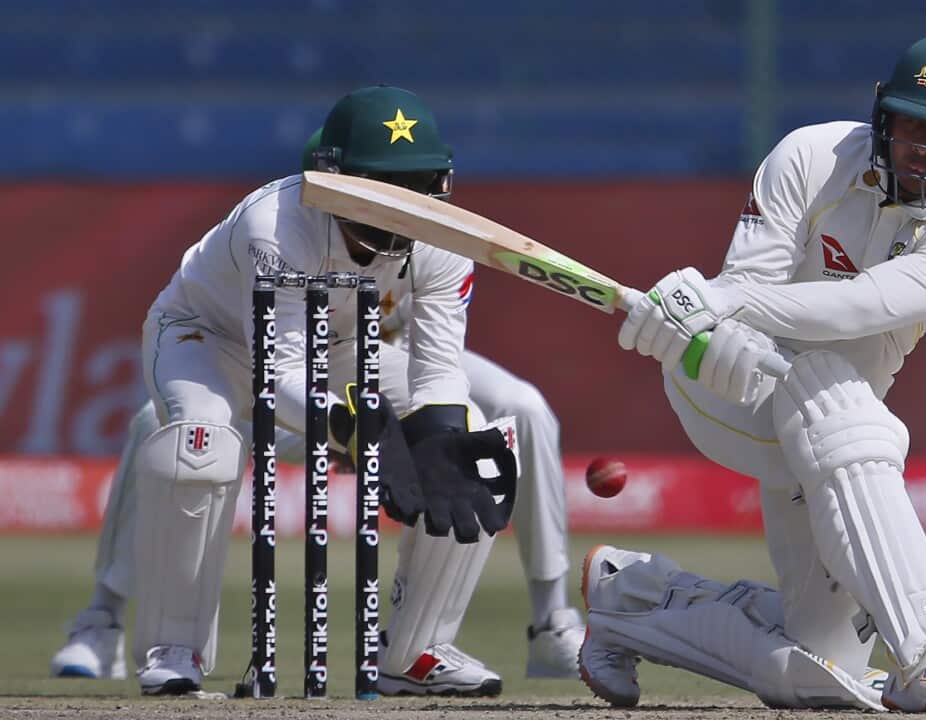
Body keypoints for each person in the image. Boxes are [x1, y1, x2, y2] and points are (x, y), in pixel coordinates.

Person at [50, 119, 587, 693]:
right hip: (212, 339)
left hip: (345, 345)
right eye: (380, 187)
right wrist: (358, 429)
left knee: (471, 442)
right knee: (197, 446)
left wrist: (434, 437)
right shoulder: (276, 224)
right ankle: (172, 648)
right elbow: (277, 370)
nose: (399, 208)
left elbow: (436, 372)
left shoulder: (444, 240)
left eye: (415, 186)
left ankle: (415, 652)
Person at [580, 35, 926, 713]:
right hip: (728, 391)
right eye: (913, 125)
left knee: (819, 669)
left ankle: (633, 598)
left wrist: (727, 300)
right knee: (840, 397)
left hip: (835, 445)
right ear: (883, 118)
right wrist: (704, 331)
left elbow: (863, 306)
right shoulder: (811, 155)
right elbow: (744, 286)